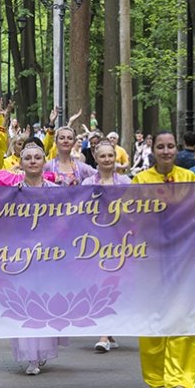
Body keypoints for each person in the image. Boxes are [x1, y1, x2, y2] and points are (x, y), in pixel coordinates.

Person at [132, 130, 195, 388]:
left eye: (170, 146)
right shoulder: (140, 180)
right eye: (161, 146)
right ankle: (156, 375)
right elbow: (129, 217)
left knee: (184, 316)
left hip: (184, 261)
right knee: (153, 317)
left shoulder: (189, 178)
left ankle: (180, 378)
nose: (166, 151)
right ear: (153, 150)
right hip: (151, 262)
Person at [10, 138, 67, 374]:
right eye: (28, 158)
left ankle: (42, 351)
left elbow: (67, 220)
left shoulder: (56, 191)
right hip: (22, 255)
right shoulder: (12, 193)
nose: (33, 161)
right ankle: (31, 356)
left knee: (46, 301)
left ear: (45, 161)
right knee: (26, 301)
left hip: (49, 255)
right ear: (20, 163)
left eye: (37, 157)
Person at [82, 139, 131, 353]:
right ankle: (104, 332)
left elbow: (138, 209)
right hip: (95, 241)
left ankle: (107, 331)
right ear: (95, 157)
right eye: (102, 156)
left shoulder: (125, 182)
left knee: (115, 284)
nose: (107, 159)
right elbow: (79, 212)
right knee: (99, 284)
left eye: (110, 155)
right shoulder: (87, 184)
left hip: (120, 240)